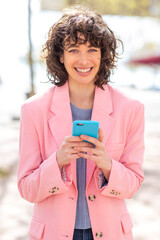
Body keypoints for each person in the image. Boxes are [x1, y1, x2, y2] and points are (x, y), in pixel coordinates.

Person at [17, 5, 145, 240]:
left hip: (111, 232)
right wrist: (57, 161)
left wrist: (107, 164)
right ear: (61, 55)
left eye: (92, 49)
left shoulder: (131, 108)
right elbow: (26, 187)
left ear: (103, 54)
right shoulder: (33, 110)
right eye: (74, 49)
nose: (84, 60)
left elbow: (134, 182)